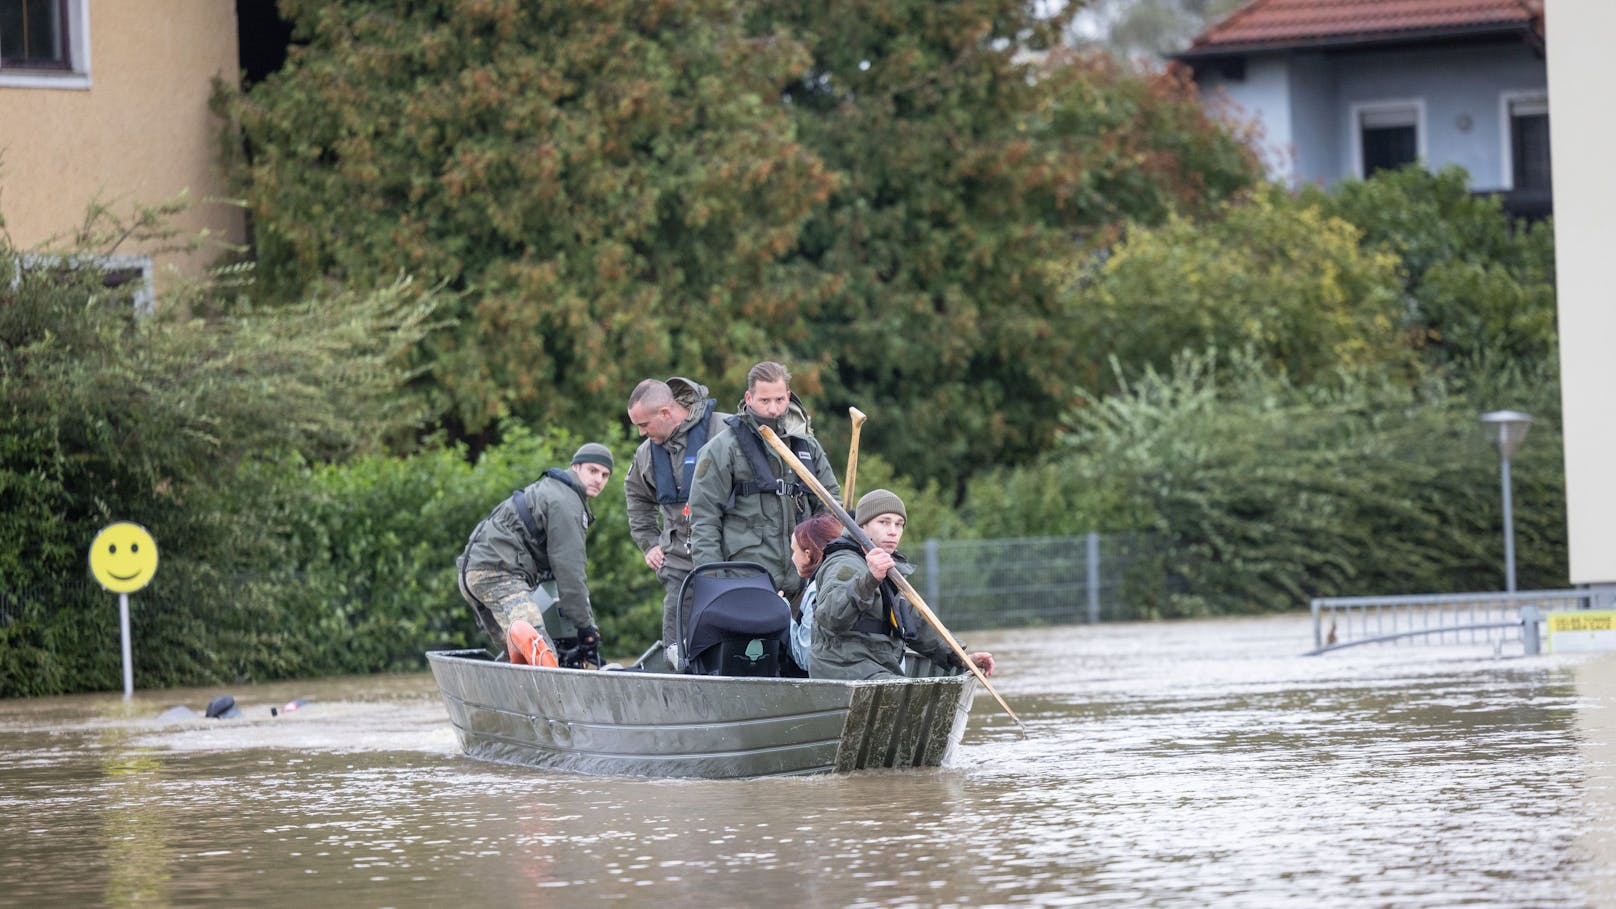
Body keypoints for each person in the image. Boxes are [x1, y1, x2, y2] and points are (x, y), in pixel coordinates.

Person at [687, 361, 842, 623]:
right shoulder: (722, 448)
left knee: (800, 661)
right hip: (745, 581)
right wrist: (713, 584)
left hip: (803, 582)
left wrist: (828, 565)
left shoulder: (807, 446)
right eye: (764, 400)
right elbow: (704, 519)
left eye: (780, 400)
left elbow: (830, 507)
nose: (773, 409)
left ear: (789, 396)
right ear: (749, 397)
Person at [456, 443, 615, 668]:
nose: (599, 479)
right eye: (593, 471)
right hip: (499, 574)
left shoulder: (549, 488)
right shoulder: (567, 503)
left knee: (516, 657)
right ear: (576, 467)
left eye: (605, 475)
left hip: (470, 574)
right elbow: (571, 572)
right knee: (541, 651)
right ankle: (553, 699)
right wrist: (585, 627)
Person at [810, 489, 995, 681]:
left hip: (877, 666)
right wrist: (869, 580)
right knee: (906, 693)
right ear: (862, 526)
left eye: (899, 524)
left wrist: (961, 658)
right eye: (884, 522)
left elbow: (913, 622)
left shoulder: (886, 566)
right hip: (843, 667)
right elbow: (831, 617)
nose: (893, 531)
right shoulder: (844, 563)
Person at [623, 377, 731, 668]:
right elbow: (636, 495)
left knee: (733, 638)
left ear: (666, 413)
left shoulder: (725, 430)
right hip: (679, 563)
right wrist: (648, 543)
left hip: (731, 557)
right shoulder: (647, 452)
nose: (641, 433)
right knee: (675, 644)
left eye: (643, 425)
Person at [787, 514, 844, 672]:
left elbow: (805, 657)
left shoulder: (817, 588)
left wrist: (781, 610)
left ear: (807, 554)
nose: (792, 559)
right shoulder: (854, 574)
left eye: (794, 551)